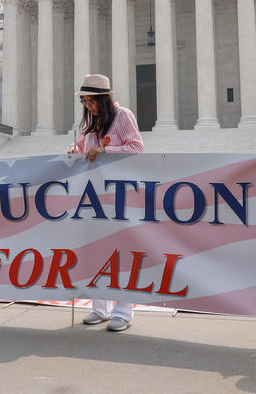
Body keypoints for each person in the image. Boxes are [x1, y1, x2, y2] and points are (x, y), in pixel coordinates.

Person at [67, 74, 144, 332]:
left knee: (121, 254)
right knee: (95, 252)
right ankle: (99, 308)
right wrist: (73, 149)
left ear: (104, 98)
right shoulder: (92, 125)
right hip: (93, 199)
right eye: (85, 102)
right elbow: (83, 148)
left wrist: (106, 150)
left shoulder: (123, 117)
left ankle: (123, 312)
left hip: (120, 197)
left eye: (91, 101)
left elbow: (137, 148)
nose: (88, 107)